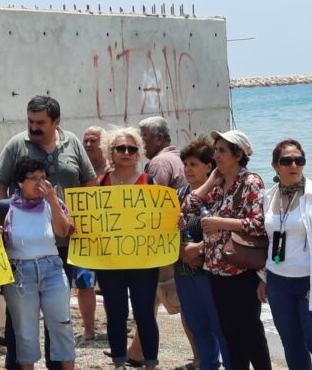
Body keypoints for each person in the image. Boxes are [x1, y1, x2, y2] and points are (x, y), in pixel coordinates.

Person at [0, 95, 96, 369]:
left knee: (59, 318)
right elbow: (0, 182)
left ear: (56, 122)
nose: (34, 127)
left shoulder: (72, 142)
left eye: (40, 122)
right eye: (30, 121)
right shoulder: (17, 144)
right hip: (21, 254)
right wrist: (5, 219)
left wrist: (81, 218)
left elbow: (89, 180)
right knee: (22, 324)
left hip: (63, 246)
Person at [185, 129, 271, 369]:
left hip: (241, 269)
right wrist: (210, 181)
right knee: (230, 332)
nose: (217, 155)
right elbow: (189, 207)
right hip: (216, 269)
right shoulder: (219, 184)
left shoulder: (251, 182)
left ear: (238, 154)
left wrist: (219, 223)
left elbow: (258, 224)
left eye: (222, 151)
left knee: (250, 331)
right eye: (216, 150)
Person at [94, 127, 160, 370]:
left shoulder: (150, 182)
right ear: (110, 152)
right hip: (110, 262)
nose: (126, 152)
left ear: (138, 153)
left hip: (143, 262)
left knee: (144, 314)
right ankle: (119, 363)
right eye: (120, 148)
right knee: (116, 313)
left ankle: (151, 363)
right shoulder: (99, 184)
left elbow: (161, 220)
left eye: (131, 149)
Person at [2, 156, 75, 369]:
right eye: (32, 178)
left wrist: (53, 200)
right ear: (19, 183)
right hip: (20, 273)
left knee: (62, 325)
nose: (39, 183)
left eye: (43, 178)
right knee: (25, 331)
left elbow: (63, 232)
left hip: (51, 268)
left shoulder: (52, 204)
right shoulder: (6, 208)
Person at [132, 116, 193, 368]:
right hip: (184, 239)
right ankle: (136, 352)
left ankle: (202, 357)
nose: (140, 143)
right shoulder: (180, 158)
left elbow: (151, 206)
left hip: (166, 245)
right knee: (152, 299)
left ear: (158, 138)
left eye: (143, 137)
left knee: (180, 301)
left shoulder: (157, 164)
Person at [175, 138, 231, 370]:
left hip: (212, 271)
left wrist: (198, 249)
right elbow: (162, 233)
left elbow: (229, 233)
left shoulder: (220, 194)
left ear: (209, 166)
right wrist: (181, 250)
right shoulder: (177, 196)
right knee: (197, 327)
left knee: (221, 327)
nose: (188, 169)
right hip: (184, 270)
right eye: (185, 164)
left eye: (194, 164)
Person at [257, 139, 312, 369]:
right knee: (291, 343)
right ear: (275, 165)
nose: (294, 165)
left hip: (308, 282)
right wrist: (263, 278)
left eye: (299, 160)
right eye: (286, 160)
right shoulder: (267, 197)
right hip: (277, 281)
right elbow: (264, 239)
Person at [74, 125, 108, 342]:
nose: (87, 145)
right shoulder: (76, 169)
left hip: (110, 239)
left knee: (114, 285)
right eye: (85, 140)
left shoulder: (115, 169)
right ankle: (89, 329)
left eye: (92, 140)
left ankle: (116, 325)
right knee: (84, 284)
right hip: (85, 237)